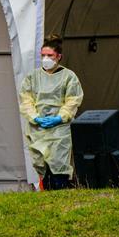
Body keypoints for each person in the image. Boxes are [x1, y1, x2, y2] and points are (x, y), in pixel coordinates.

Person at [19, 34, 84, 190]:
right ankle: (47, 197)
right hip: (38, 129)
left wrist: (59, 117)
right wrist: (35, 117)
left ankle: (60, 196)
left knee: (59, 165)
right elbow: (26, 99)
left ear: (58, 56)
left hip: (59, 130)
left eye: (50, 55)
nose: (46, 59)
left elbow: (73, 100)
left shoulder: (69, 77)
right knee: (42, 165)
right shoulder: (32, 77)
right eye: (43, 55)